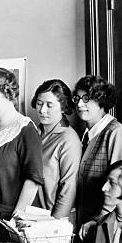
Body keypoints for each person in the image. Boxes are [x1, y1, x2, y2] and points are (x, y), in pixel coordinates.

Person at [0, 67, 44, 232]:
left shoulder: (25, 130)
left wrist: (14, 222)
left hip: (9, 220)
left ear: (8, 94)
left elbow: (32, 181)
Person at [73, 75, 122, 229]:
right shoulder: (84, 134)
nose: (79, 104)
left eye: (86, 98)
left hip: (102, 223)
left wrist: (98, 219)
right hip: (84, 221)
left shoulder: (116, 132)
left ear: (101, 100)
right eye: (77, 98)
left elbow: (119, 185)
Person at [31, 79, 81, 220]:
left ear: (63, 106)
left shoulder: (68, 139)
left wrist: (55, 224)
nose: (42, 110)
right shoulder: (34, 133)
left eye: (49, 105)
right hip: (32, 217)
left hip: (55, 220)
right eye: (39, 104)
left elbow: (69, 189)